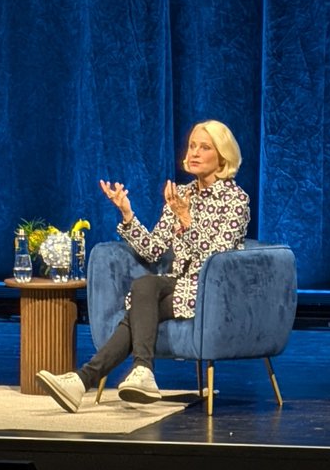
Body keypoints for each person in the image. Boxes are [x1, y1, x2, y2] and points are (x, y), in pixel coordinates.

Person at [35, 119, 251, 412]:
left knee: (141, 300)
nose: (195, 153)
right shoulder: (181, 195)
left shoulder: (236, 200)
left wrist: (188, 222)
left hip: (211, 289)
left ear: (222, 156)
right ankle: (139, 372)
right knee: (145, 284)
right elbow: (153, 250)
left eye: (205, 147)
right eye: (192, 146)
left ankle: (83, 380)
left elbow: (218, 259)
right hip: (177, 283)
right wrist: (127, 214)